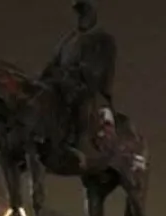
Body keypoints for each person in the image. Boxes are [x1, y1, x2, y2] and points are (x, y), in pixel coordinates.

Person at [40, 0, 117, 169]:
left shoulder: (103, 40)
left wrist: (75, 73)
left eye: (85, 13)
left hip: (87, 87)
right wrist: (44, 78)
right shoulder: (68, 40)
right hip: (61, 83)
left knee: (80, 103)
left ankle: (76, 144)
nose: (81, 18)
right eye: (79, 14)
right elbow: (53, 63)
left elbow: (100, 68)